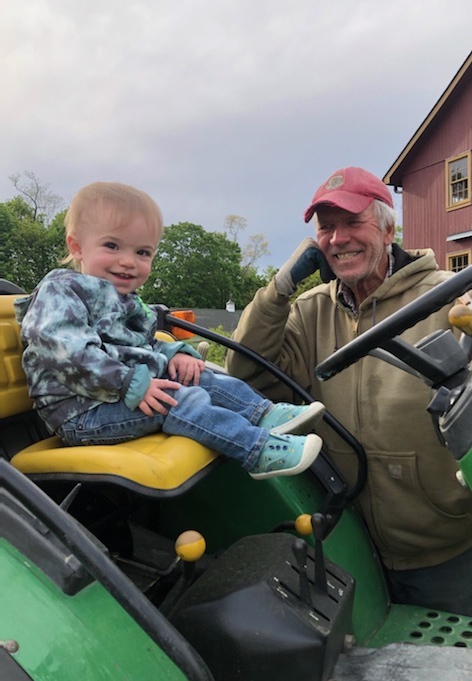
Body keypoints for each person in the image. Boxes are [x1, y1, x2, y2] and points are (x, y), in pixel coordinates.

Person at [226, 166, 472, 618]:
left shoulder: (446, 294)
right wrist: (279, 289)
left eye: (353, 222)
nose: (338, 239)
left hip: (439, 543)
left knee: (455, 670)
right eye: (326, 228)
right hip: (349, 540)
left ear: (389, 230)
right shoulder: (311, 314)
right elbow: (247, 371)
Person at [15, 182, 325, 481]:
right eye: (112, 245)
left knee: (201, 376)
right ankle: (257, 452)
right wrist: (127, 382)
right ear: (77, 246)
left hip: (118, 395)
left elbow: (144, 344)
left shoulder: (127, 302)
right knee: (179, 399)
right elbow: (66, 351)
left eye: (143, 253)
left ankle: (264, 414)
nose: (128, 261)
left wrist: (174, 354)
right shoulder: (62, 291)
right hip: (81, 412)